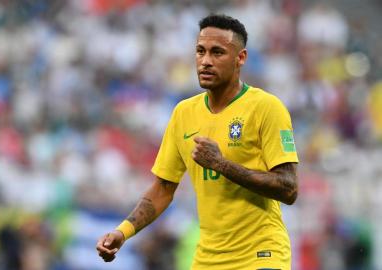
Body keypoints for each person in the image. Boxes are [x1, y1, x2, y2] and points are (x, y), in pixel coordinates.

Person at [96, 14, 299, 270]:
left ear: (241, 58)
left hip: (262, 254)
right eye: (200, 51)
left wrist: (222, 165)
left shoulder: (266, 108)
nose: (205, 61)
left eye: (217, 53)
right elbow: (163, 188)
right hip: (208, 259)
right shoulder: (184, 113)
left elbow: (289, 188)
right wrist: (123, 231)